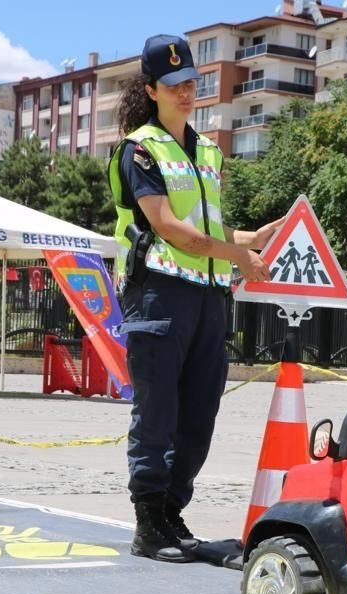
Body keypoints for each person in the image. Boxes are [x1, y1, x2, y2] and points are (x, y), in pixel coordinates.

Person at [107, 34, 282, 563]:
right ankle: (149, 523)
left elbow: (210, 227)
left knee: (199, 414)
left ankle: (172, 514)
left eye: (192, 84)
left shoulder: (206, 151)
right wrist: (237, 255)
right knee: (157, 412)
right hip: (158, 292)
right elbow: (168, 227)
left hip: (207, 295)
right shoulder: (140, 149)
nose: (186, 93)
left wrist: (256, 239)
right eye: (175, 85)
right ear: (151, 89)